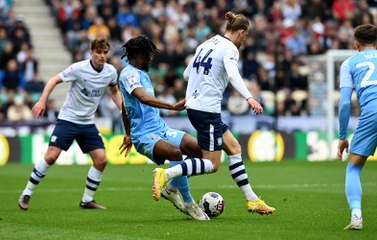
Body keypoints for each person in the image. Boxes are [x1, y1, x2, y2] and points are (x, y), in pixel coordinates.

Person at [153, 12, 276, 215]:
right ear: (242, 32)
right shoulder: (230, 49)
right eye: (246, 36)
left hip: (197, 107)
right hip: (206, 110)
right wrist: (249, 97)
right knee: (212, 163)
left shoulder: (207, 43)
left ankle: (252, 200)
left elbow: (186, 74)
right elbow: (232, 73)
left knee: (234, 148)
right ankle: (166, 175)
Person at [18, 36, 122, 210]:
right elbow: (53, 80)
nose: (102, 56)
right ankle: (27, 192)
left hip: (88, 123)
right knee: (51, 157)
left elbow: (114, 91)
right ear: (91, 52)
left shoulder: (111, 72)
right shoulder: (78, 68)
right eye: (98, 52)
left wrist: (121, 108)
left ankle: (87, 199)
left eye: (105, 52)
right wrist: (42, 101)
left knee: (101, 160)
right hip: (68, 120)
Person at [118, 36, 209, 220]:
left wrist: (126, 133)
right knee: (175, 153)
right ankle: (190, 203)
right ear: (137, 55)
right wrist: (172, 106)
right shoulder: (128, 74)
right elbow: (143, 98)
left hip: (161, 129)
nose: (150, 59)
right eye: (147, 55)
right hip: (144, 135)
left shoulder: (142, 73)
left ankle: (172, 188)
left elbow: (124, 106)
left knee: (200, 151)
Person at [337, 24, 377, 230]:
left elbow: (344, 103)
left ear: (356, 43)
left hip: (371, 114)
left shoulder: (349, 63)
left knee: (353, 168)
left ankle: (356, 216)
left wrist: (343, 136)